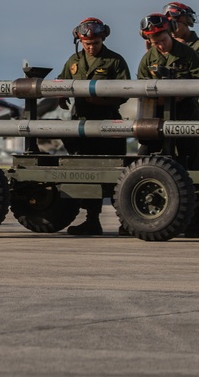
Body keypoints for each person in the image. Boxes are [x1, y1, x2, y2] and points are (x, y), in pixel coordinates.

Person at [57, 18, 131, 236]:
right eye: (86, 43)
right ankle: (92, 219)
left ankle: (126, 221)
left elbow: (124, 92)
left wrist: (102, 102)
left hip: (108, 124)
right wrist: (60, 96)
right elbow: (62, 81)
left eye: (95, 43)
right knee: (87, 173)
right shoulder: (75, 60)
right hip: (81, 124)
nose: (90, 47)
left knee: (117, 176)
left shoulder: (115, 61)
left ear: (103, 38)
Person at [137, 13, 199, 237]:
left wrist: (179, 95)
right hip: (156, 117)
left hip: (185, 115)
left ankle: (194, 219)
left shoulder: (188, 54)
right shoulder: (149, 58)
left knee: (192, 162)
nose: (159, 44)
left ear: (171, 33)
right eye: (154, 41)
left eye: (162, 39)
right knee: (145, 158)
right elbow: (139, 85)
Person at [164, 2, 199, 79]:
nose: (172, 30)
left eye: (175, 25)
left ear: (187, 23)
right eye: (169, 27)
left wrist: (187, 50)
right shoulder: (166, 46)